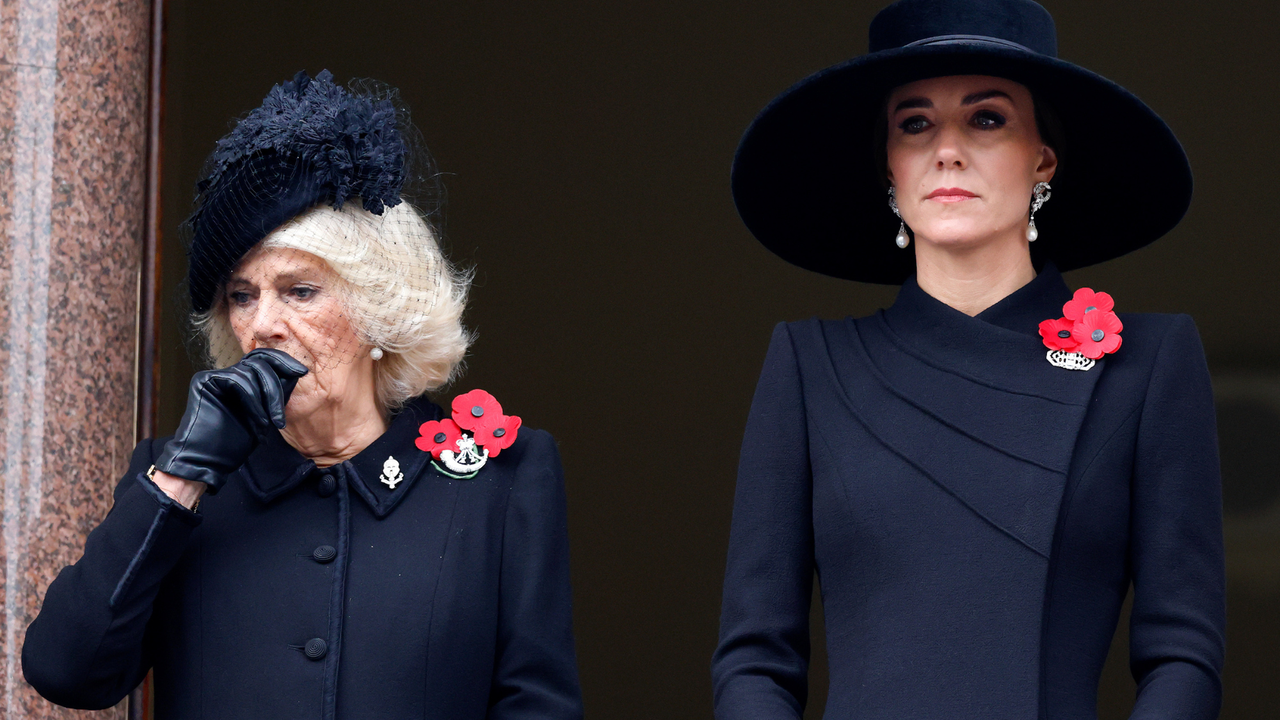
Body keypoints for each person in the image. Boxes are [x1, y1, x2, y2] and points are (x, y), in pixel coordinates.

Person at [712, 1, 1224, 719]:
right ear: (889, 166)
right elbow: (754, 659)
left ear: (1043, 155)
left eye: (987, 118)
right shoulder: (809, 365)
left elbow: (1183, 653)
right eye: (914, 124)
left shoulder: (1150, 363)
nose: (946, 149)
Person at [23, 70, 583, 719]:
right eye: (242, 295)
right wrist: (181, 479)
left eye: (300, 291)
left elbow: (538, 707)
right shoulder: (181, 485)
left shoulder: (500, 483)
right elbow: (65, 671)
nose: (263, 323)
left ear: (380, 308)